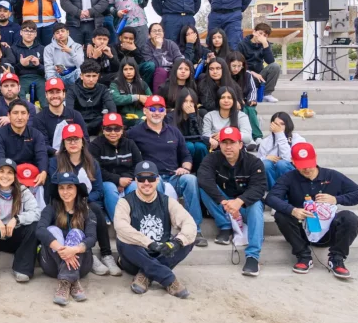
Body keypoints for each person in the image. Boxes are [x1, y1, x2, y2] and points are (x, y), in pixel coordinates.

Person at [265, 143, 358, 278]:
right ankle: (303, 256)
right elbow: (271, 198)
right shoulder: (289, 177)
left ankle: (337, 258)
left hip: (328, 231)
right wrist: (293, 210)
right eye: (302, 165)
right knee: (281, 215)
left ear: (316, 158)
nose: (307, 169)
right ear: (293, 162)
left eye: (309, 164)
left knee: (350, 217)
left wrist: (336, 199)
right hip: (302, 230)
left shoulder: (332, 176)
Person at [127, 95, 207, 247]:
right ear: (145, 111)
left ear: (165, 112)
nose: (156, 113)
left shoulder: (174, 132)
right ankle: (162, 231)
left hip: (173, 176)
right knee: (157, 186)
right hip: (150, 179)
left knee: (191, 180)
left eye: (160, 109)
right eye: (152, 109)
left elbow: (186, 155)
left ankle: (194, 229)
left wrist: (185, 168)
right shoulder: (134, 132)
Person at [114, 161, 196, 298]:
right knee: (123, 239)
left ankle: (145, 275)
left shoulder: (167, 201)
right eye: (141, 178)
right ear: (136, 180)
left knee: (189, 239)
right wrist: (150, 243)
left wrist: (177, 242)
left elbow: (189, 224)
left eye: (151, 178)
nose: (146, 182)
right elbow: (121, 227)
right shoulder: (125, 201)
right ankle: (169, 280)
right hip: (136, 257)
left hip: (161, 254)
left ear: (157, 180)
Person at [200, 129, 268, 276]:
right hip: (224, 205)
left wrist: (239, 201)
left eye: (232, 143)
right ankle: (225, 226)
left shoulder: (253, 162)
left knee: (256, 204)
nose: (228, 147)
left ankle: (253, 256)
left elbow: (259, 188)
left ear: (240, 144)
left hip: (244, 206)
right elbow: (204, 179)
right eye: (224, 142)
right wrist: (223, 201)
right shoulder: (212, 158)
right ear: (220, 144)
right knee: (204, 188)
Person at [55, 124, 121, 276]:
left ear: (82, 142)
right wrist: (71, 199)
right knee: (77, 211)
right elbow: (52, 188)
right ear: (64, 143)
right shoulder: (56, 162)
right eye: (69, 140)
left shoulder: (92, 162)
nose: (73, 143)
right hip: (63, 202)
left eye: (76, 139)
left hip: (87, 200)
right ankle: (89, 256)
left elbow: (98, 190)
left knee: (95, 210)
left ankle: (106, 254)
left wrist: (82, 199)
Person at [36, 170, 96, 305]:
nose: (65, 192)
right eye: (61, 188)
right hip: (51, 265)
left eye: (70, 187)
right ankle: (72, 281)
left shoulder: (86, 211)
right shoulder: (50, 208)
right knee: (52, 230)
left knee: (76, 233)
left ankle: (65, 282)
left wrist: (74, 250)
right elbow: (39, 230)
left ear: (77, 189)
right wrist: (63, 250)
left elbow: (92, 238)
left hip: (82, 265)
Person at [90, 113, 144, 223]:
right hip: (106, 181)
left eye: (117, 129)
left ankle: (136, 222)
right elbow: (96, 169)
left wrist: (125, 179)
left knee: (135, 186)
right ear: (103, 130)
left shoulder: (130, 143)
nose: (113, 132)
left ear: (122, 129)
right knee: (110, 188)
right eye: (109, 129)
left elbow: (138, 165)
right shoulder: (95, 145)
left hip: (128, 180)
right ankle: (119, 224)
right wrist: (117, 180)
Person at [0, 100, 48, 179]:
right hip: (6, 175)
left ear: (28, 116)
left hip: (29, 175)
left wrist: (43, 172)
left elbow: (41, 155)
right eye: (15, 113)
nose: (19, 117)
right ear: (8, 115)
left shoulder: (36, 134)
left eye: (23, 113)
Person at [31, 77, 85, 151]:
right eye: (51, 92)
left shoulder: (75, 115)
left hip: (75, 155)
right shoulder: (39, 118)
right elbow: (42, 144)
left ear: (64, 94)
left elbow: (85, 140)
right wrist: (59, 154)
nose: (55, 96)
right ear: (46, 95)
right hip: (50, 158)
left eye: (58, 92)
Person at [68, 60, 117, 136]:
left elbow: (112, 107)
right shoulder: (73, 89)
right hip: (79, 122)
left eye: (94, 76)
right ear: (81, 76)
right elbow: (69, 110)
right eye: (88, 76)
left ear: (98, 76)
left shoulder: (103, 89)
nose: (91, 79)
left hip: (97, 123)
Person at [258, 112, 305, 188]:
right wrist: (265, 158)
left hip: (292, 174)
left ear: (288, 124)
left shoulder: (298, 139)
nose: (279, 127)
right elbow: (256, 164)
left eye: (282, 124)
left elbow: (288, 158)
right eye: (276, 124)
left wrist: (280, 135)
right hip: (272, 178)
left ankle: (287, 191)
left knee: (282, 164)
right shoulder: (266, 141)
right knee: (265, 164)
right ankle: (275, 193)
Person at [237, 23, 281, 103]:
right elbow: (238, 64)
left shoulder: (265, 44)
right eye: (260, 33)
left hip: (260, 75)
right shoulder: (242, 44)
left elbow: (270, 62)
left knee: (275, 66)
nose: (262, 37)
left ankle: (267, 94)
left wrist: (265, 45)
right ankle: (253, 92)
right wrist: (251, 72)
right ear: (254, 32)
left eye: (265, 35)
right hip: (246, 75)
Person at [227, 52, 263, 140]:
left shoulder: (247, 75)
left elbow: (252, 89)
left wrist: (251, 100)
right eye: (234, 66)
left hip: (245, 101)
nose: (236, 69)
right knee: (243, 110)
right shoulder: (225, 75)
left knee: (250, 109)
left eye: (239, 66)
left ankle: (257, 137)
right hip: (231, 101)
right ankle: (247, 137)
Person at [171, 88, 209, 171]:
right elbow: (176, 138)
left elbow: (199, 136)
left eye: (191, 101)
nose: (188, 104)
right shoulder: (171, 117)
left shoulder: (197, 117)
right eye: (185, 101)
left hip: (194, 145)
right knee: (189, 146)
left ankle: (203, 172)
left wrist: (192, 116)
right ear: (180, 102)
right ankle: (185, 171)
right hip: (177, 147)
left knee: (200, 146)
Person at [12, 21, 47, 106]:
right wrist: (21, 65)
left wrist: (38, 65)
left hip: (39, 78)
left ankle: (46, 115)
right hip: (21, 78)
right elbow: (11, 71)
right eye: (26, 31)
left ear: (36, 34)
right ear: (21, 32)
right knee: (22, 99)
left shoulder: (43, 49)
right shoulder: (13, 48)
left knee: (45, 99)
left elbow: (47, 71)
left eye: (32, 31)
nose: (29, 34)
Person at [109, 59, 151, 127]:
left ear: (135, 70)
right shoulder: (115, 83)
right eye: (125, 69)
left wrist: (146, 101)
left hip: (141, 116)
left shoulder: (142, 83)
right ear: (121, 71)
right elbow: (115, 99)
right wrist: (137, 97)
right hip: (123, 117)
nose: (128, 72)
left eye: (131, 69)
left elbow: (151, 100)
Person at [144, 22, 183, 93]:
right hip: (155, 73)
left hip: (171, 69)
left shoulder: (170, 43)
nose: (157, 33)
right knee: (161, 71)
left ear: (163, 33)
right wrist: (158, 47)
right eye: (154, 31)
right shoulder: (146, 47)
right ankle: (158, 99)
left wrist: (176, 68)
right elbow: (154, 65)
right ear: (149, 35)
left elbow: (178, 57)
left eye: (159, 30)